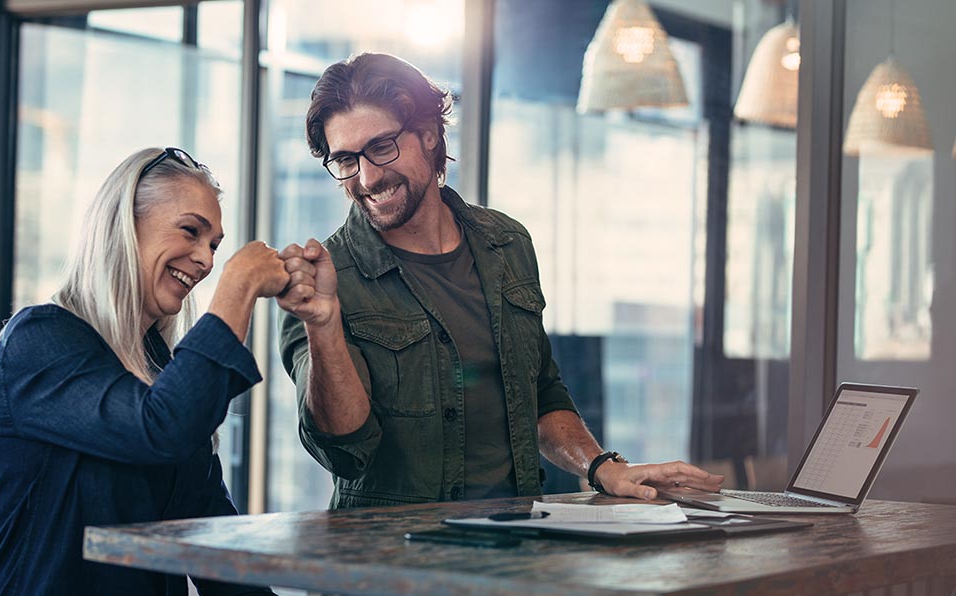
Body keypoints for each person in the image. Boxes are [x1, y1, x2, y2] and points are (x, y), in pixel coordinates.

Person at [278, 53, 724, 510]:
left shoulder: (507, 243)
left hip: (514, 543)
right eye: (346, 160)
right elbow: (342, 449)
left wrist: (601, 467)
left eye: (382, 146)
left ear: (429, 135)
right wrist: (323, 325)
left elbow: (539, 391)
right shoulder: (323, 284)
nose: (368, 177)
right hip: (388, 560)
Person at [0, 147, 280, 596]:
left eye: (214, 246)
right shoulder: (38, 341)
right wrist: (238, 286)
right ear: (124, 225)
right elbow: (160, 428)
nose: (207, 260)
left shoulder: (164, 371)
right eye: (191, 231)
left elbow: (212, 533)